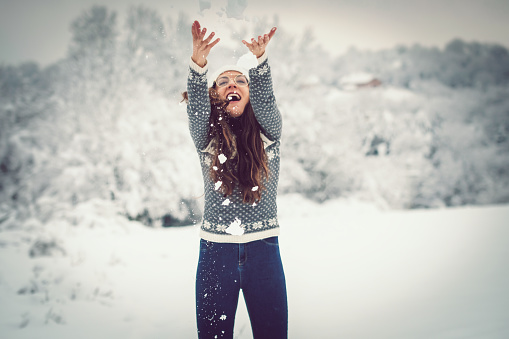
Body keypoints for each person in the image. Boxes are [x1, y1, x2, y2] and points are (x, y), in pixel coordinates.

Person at [183, 20, 287, 339]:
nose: (233, 85)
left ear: (249, 92)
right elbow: (197, 110)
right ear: (215, 94)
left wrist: (259, 63)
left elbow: (267, 104)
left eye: (240, 81)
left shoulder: (269, 135)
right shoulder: (207, 139)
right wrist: (199, 63)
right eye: (224, 81)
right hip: (216, 252)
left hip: (263, 250)